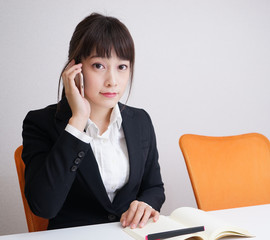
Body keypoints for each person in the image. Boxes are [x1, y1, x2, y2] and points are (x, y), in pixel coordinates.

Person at [21, 13, 165, 230]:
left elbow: (154, 186)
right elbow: (44, 207)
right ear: (75, 68)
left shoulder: (140, 121)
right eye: (99, 65)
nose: (112, 81)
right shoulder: (40, 123)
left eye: (122, 67)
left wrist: (145, 204)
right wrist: (77, 121)